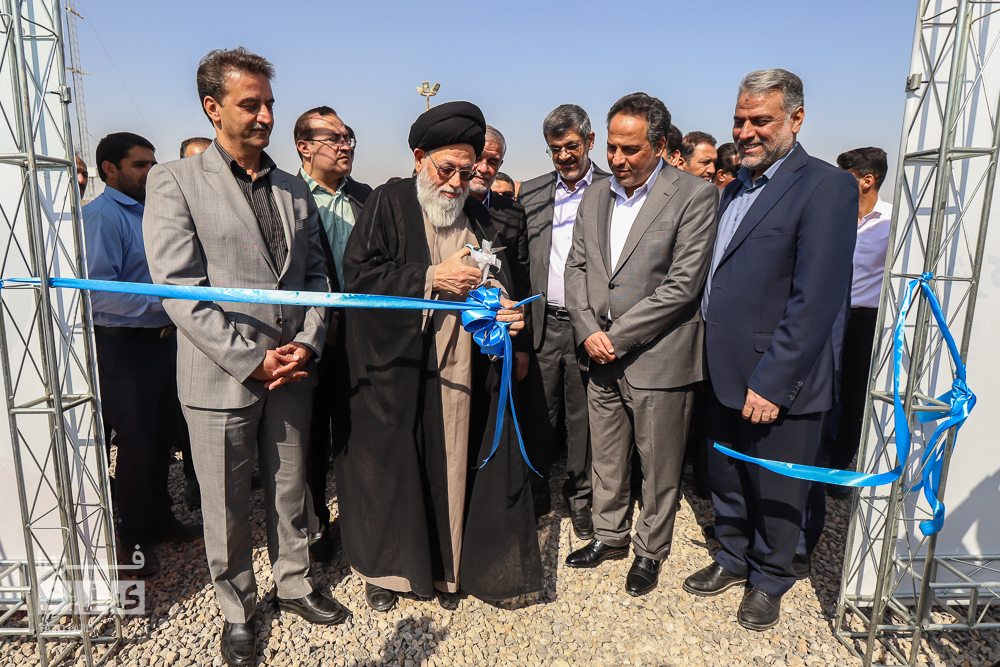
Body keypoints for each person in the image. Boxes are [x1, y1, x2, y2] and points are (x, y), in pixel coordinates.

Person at [143, 47, 347, 667]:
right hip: (220, 376)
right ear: (213, 107)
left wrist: (307, 342)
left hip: (292, 371)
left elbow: (316, 278)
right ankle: (237, 609)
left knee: (290, 490)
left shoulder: (292, 187)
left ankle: (295, 583)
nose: (265, 116)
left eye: (269, 104)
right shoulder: (174, 181)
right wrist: (249, 359)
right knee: (227, 504)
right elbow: (180, 289)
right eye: (249, 104)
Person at [337, 100, 543, 613]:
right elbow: (359, 278)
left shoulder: (481, 218)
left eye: (465, 173)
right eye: (445, 169)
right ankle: (386, 572)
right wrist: (430, 278)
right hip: (398, 368)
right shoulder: (388, 203)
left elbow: (502, 287)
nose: (454, 183)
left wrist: (510, 317)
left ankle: (449, 569)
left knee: (456, 466)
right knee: (391, 469)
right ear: (418, 159)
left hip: (462, 372)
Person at [683, 69, 857, 632]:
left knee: (778, 486)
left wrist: (773, 381)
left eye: (761, 120)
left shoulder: (827, 186)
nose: (746, 131)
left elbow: (816, 301)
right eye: (739, 120)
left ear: (796, 119)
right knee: (728, 475)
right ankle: (733, 555)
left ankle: (770, 576)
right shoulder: (736, 186)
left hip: (777, 378)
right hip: (723, 368)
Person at [563, 93, 718, 597]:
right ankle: (609, 536)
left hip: (659, 355)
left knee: (659, 464)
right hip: (599, 353)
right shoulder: (595, 195)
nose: (617, 158)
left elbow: (682, 285)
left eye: (630, 149)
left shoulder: (695, 195)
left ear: (659, 145)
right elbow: (576, 268)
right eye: (611, 147)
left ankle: (650, 550)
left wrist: (615, 337)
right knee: (607, 456)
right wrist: (587, 330)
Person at [83, 132, 202, 578]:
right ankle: (132, 540)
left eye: (153, 163)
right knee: (135, 447)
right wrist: (168, 303)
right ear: (109, 170)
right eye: (140, 165)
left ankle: (160, 519)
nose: (151, 172)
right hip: (124, 346)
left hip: (162, 341)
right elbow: (99, 295)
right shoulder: (101, 218)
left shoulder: (155, 212)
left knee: (162, 438)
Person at [518, 104, 609, 533]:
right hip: (542, 325)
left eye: (571, 146)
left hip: (589, 329)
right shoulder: (531, 193)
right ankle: (534, 495)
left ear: (590, 141)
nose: (564, 156)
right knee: (539, 416)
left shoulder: (613, 191)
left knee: (585, 421)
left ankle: (581, 499)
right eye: (555, 149)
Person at [293, 104, 373, 562]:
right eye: (334, 139)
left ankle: (362, 524)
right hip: (307, 339)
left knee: (356, 435)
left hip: (360, 338)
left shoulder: (366, 197)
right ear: (304, 148)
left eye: (348, 138)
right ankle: (314, 524)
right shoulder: (285, 195)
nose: (345, 146)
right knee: (306, 441)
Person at [825, 147, 891, 493]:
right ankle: (810, 461)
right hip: (826, 314)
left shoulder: (893, 222)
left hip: (865, 322)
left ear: (867, 180)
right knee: (819, 390)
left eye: (844, 175)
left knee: (852, 399)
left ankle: (837, 473)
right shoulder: (832, 215)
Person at [468, 125, 531, 383]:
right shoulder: (443, 205)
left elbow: (521, 279)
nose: (483, 168)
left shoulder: (513, 212)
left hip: (499, 334)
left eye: (492, 162)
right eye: (478, 158)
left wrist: (522, 345)